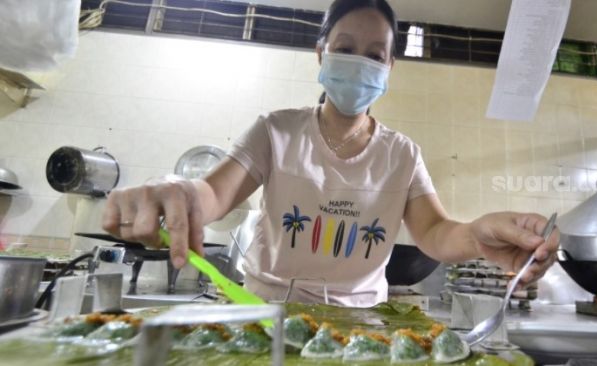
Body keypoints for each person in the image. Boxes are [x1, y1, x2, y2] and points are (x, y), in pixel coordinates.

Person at [103, 0, 559, 307]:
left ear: (389, 67)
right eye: (345, 49)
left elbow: (436, 233)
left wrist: (479, 234)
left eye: (375, 55)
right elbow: (213, 195)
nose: (360, 63)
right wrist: (178, 191)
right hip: (263, 311)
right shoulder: (276, 129)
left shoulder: (402, 154)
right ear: (320, 54)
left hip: (359, 322)